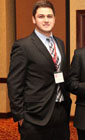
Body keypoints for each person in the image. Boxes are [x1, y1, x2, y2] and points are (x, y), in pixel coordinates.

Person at [7, 1, 71, 140]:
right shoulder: (23, 46)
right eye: (41, 16)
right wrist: (20, 116)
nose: (46, 20)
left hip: (61, 111)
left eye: (49, 16)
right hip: (35, 116)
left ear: (54, 19)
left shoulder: (60, 43)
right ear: (34, 19)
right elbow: (14, 83)